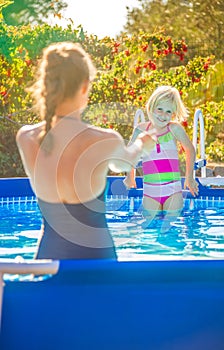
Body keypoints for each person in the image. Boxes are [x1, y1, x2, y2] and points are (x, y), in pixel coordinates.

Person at [16, 41, 155, 260]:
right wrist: (142, 144)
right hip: (99, 268)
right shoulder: (105, 140)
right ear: (84, 86)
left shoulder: (26, 138)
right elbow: (125, 163)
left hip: (47, 264)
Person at [123, 85, 199, 231]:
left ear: (173, 113)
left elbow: (190, 149)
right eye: (160, 109)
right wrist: (130, 176)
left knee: (172, 228)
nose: (163, 115)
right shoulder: (141, 129)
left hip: (173, 190)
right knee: (149, 227)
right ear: (151, 106)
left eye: (168, 111)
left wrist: (189, 177)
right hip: (150, 191)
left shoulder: (174, 129)